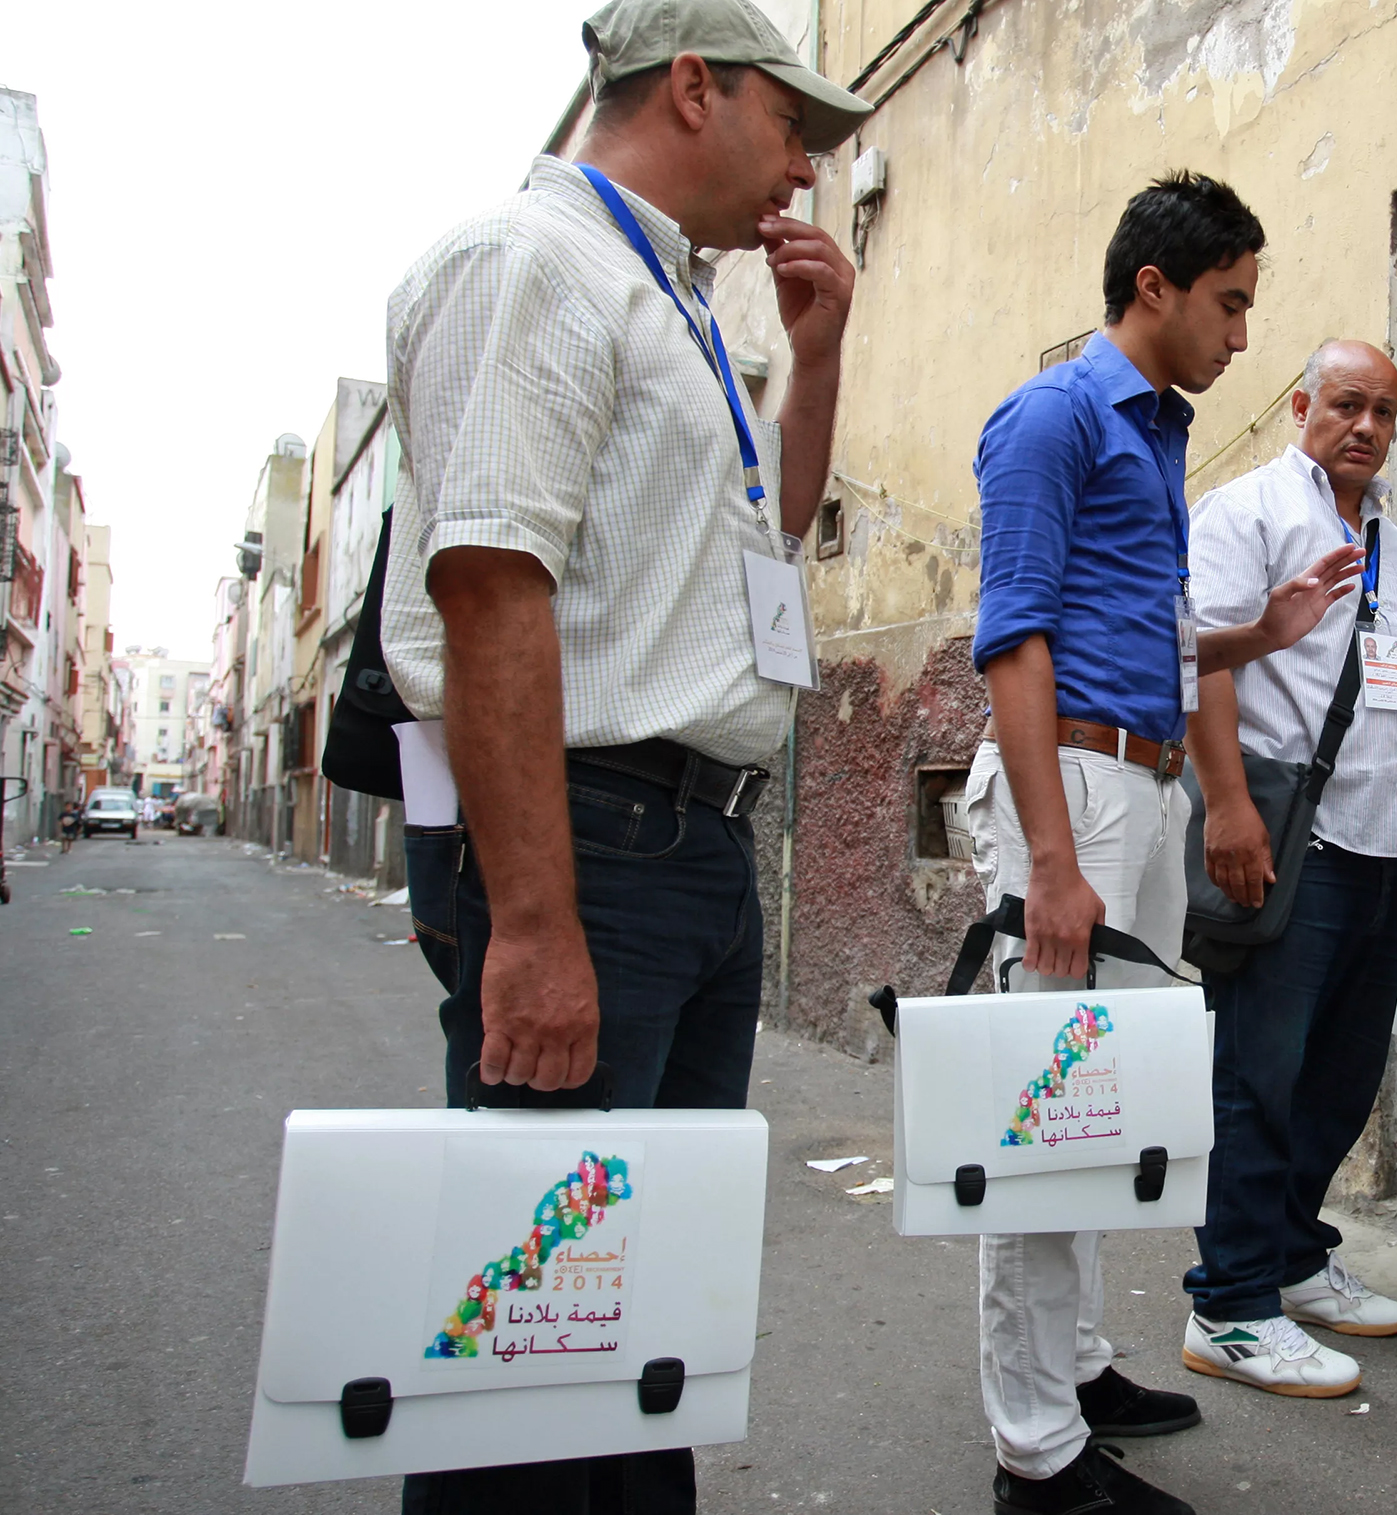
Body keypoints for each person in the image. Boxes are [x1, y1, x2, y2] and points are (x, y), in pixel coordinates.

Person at [380, 0, 869, 1507]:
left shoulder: (681, 305)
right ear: (694, 88)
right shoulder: (534, 261)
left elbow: (765, 559)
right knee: (534, 1342)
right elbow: (489, 582)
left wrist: (817, 356)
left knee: (642, 1317)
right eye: (796, 130)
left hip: (694, 844)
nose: (805, 173)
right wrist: (530, 919)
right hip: (591, 838)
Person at [968, 172, 1353, 1515]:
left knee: (1091, 1109)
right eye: (1231, 304)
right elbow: (1013, 634)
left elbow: (1157, 631)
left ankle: (1071, 1369)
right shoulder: (1055, 415)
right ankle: (1035, 1450)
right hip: (1068, 787)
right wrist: (1054, 856)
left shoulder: (1154, 431)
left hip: (1136, 784)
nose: (1244, 336)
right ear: (1156, 286)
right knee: (1036, 1117)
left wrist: (1264, 632)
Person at [1177, 340, 1397, 1396]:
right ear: (1300, 406)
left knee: (1339, 1075)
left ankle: (1293, 1258)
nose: (1367, 427)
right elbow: (1202, 655)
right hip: (1287, 838)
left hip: (1380, 847)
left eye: (1383, 411)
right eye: (1347, 404)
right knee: (1255, 1076)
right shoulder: (1245, 514)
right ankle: (1230, 1302)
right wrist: (1228, 806)